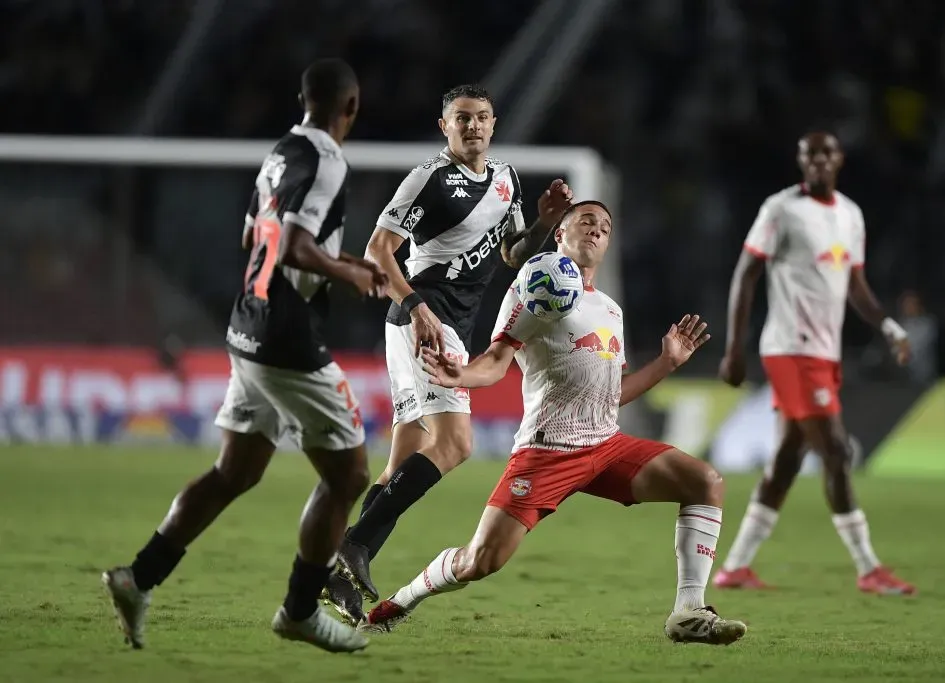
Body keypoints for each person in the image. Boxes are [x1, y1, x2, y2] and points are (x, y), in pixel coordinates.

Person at [361, 201, 747, 645]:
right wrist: (458, 374)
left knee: (705, 481)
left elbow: (611, 395)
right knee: (480, 561)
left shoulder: (610, 310)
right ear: (560, 235)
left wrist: (665, 362)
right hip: (547, 451)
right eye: (586, 221)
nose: (597, 230)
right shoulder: (536, 289)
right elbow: (496, 360)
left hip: (605, 445)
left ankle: (688, 611)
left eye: (605, 226)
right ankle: (400, 602)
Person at [101, 58, 389, 653]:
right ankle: (301, 609)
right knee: (350, 476)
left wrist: (342, 265)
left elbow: (253, 237)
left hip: (247, 327)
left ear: (302, 99)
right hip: (287, 340)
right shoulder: (330, 161)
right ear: (351, 107)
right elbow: (295, 248)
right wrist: (348, 274)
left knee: (235, 471)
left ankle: (139, 576)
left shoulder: (280, 152)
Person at [323, 84, 573, 623]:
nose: (473, 127)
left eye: (481, 118)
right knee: (455, 444)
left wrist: (546, 224)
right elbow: (377, 251)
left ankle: (338, 578)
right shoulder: (429, 179)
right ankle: (354, 547)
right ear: (445, 127)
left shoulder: (505, 179)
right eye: (462, 119)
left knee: (401, 463)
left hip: (436, 322)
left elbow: (511, 254)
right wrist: (418, 311)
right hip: (425, 320)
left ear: (494, 122)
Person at [714, 132, 916, 595]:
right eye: (810, 155)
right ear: (801, 161)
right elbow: (745, 275)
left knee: (786, 461)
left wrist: (889, 327)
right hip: (790, 347)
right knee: (838, 452)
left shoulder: (850, 214)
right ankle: (869, 568)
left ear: (839, 159)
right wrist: (734, 348)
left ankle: (735, 568)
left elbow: (855, 284)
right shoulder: (781, 210)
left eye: (827, 154)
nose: (819, 162)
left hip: (824, 352)